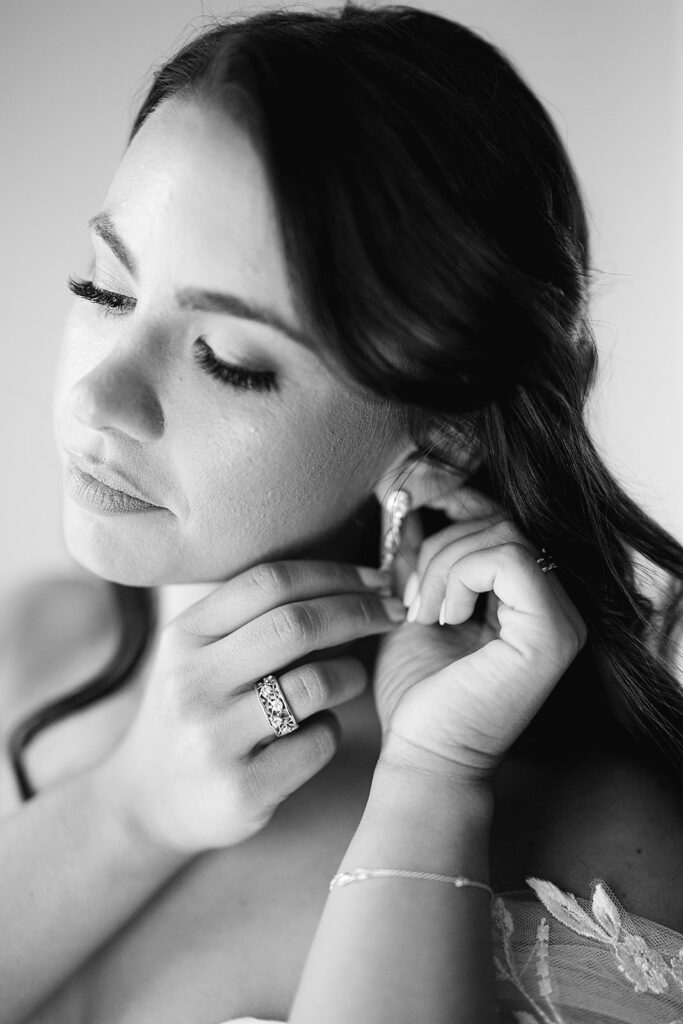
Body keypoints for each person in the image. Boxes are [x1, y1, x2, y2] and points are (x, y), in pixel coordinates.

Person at [1, 4, 683, 1022]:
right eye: (104, 289)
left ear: (440, 431)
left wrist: (427, 787)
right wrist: (123, 812)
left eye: (226, 360)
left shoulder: (589, 842)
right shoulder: (40, 647)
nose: (99, 398)